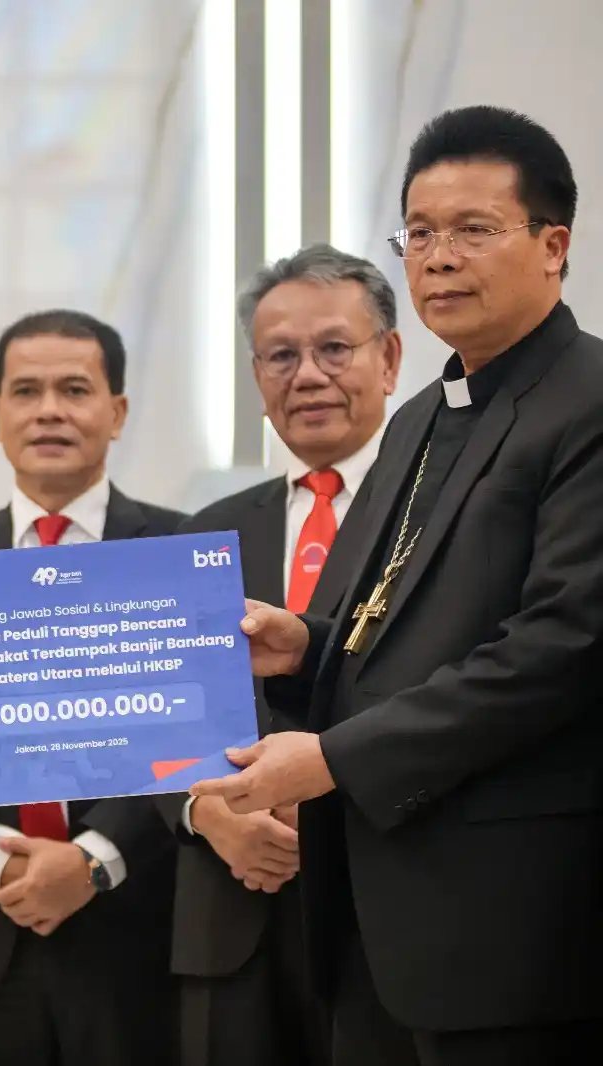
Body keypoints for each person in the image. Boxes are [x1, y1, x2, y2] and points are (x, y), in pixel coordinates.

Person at [191, 105, 603, 1063]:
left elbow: (562, 647)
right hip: (378, 918)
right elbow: (394, 627)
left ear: (554, 246)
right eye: (419, 233)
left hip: (519, 922)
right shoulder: (422, 417)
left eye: (473, 229)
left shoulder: (587, 403)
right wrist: (305, 646)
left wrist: (334, 757)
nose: (440, 256)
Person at [0, 310, 184, 1066]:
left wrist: (94, 861)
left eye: (74, 389)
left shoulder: (177, 554)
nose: (49, 409)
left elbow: (201, 739)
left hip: (142, 937)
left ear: (116, 412)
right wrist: (5, 865)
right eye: (26, 391)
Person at [157, 244, 401, 1066]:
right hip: (233, 917)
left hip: (390, 915)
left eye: (335, 348)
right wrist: (209, 813)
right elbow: (156, 719)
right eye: (281, 356)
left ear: (390, 357)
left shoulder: (434, 516)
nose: (308, 375)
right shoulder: (203, 534)